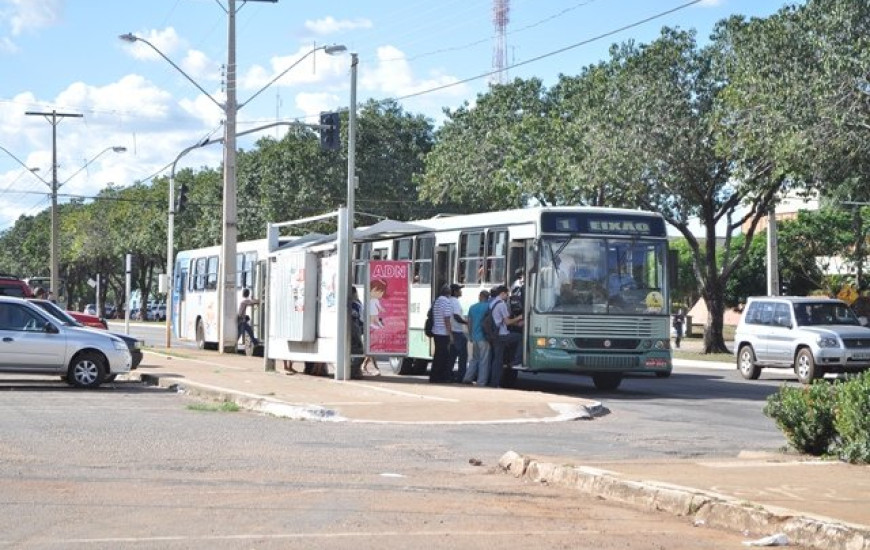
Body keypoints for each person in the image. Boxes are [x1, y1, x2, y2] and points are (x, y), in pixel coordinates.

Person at [487, 285, 523, 388]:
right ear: (502, 293)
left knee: (497, 360)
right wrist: (519, 318)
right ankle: (516, 361)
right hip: (502, 335)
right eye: (507, 294)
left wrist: (517, 323)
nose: (508, 296)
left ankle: (494, 383)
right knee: (520, 338)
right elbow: (507, 322)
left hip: (495, 335)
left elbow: (501, 321)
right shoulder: (501, 304)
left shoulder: (492, 303)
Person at [463, 289, 491, 385]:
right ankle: (481, 381)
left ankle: (468, 377)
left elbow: (469, 323)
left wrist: (470, 335)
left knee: (474, 358)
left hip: (474, 337)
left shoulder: (472, 307)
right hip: (484, 337)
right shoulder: (488, 307)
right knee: (484, 360)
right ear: (488, 298)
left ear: (480, 297)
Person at [351, 287, 379, 376]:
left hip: (360, 329)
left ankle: (366, 367)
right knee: (367, 349)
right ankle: (373, 368)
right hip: (360, 330)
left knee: (368, 349)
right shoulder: (356, 303)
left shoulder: (356, 303)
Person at [429, 284, 454, 383]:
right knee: (443, 356)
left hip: (436, 332)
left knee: (438, 355)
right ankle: (440, 377)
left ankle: (434, 376)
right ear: (449, 293)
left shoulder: (437, 301)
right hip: (443, 333)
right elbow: (447, 318)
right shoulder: (446, 302)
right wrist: (450, 333)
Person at [446, 283, 469, 382]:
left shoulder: (449, 301)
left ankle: (448, 375)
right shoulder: (455, 301)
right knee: (463, 356)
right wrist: (466, 322)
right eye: (459, 290)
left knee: (452, 356)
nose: (461, 291)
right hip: (457, 331)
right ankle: (461, 377)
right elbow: (456, 316)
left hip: (453, 331)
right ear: (455, 292)